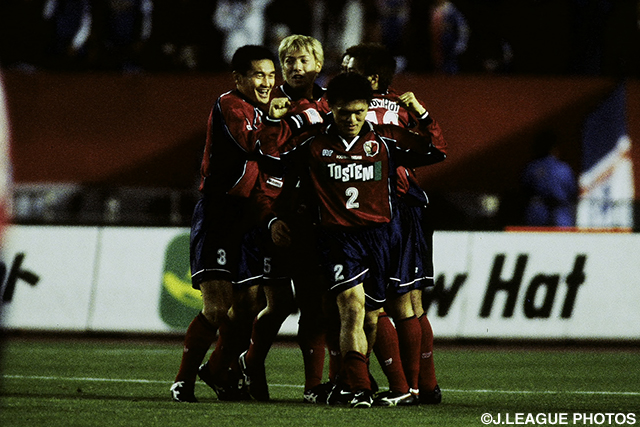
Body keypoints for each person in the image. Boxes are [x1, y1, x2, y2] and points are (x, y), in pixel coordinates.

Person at [262, 72, 446, 408]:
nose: (352, 119)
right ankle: (359, 387)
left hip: (380, 240)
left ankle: (350, 381)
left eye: (359, 112)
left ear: (367, 110)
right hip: (337, 239)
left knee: (370, 318)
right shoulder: (314, 145)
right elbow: (271, 162)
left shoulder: (385, 142)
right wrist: (273, 123)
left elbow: (435, 151)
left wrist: (422, 115)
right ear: (331, 108)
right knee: (351, 306)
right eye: (344, 112)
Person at [170, 45, 277, 403]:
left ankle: (216, 370)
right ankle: (183, 381)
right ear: (239, 78)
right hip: (219, 213)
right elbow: (253, 145)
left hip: (250, 217)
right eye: (259, 75)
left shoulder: (266, 111)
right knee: (217, 307)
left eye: (271, 75)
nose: (267, 82)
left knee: (249, 305)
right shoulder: (230, 104)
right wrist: (283, 124)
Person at [238, 34, 335, 404]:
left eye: (303, 60)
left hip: (316, 220)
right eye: (289, 61)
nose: (296, 67)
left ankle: (312, 386)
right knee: (277, 305)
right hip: (277, 215)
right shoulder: (268, 103)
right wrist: (269, 219)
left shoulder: (330, 102)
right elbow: (257, 164)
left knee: (314, 305)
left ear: (318, 65)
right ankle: (250, 361)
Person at [344, 42, 442, 405]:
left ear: (371, 79)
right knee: (411, 301)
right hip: (408, 207)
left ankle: (403, 387)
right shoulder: (401, 106)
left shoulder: (352, 110)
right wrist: (423, 114)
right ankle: (424, 386)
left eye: (350, 69)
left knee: (381, 304)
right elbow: (435, 147)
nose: (343, 74)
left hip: (385, 211)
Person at [521, 130, 577, 227]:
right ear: (554, 149)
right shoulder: (564, 168)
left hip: (539, 213)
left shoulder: (532, 168)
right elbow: (572, 192)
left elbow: (524, 190)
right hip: (559, 215)